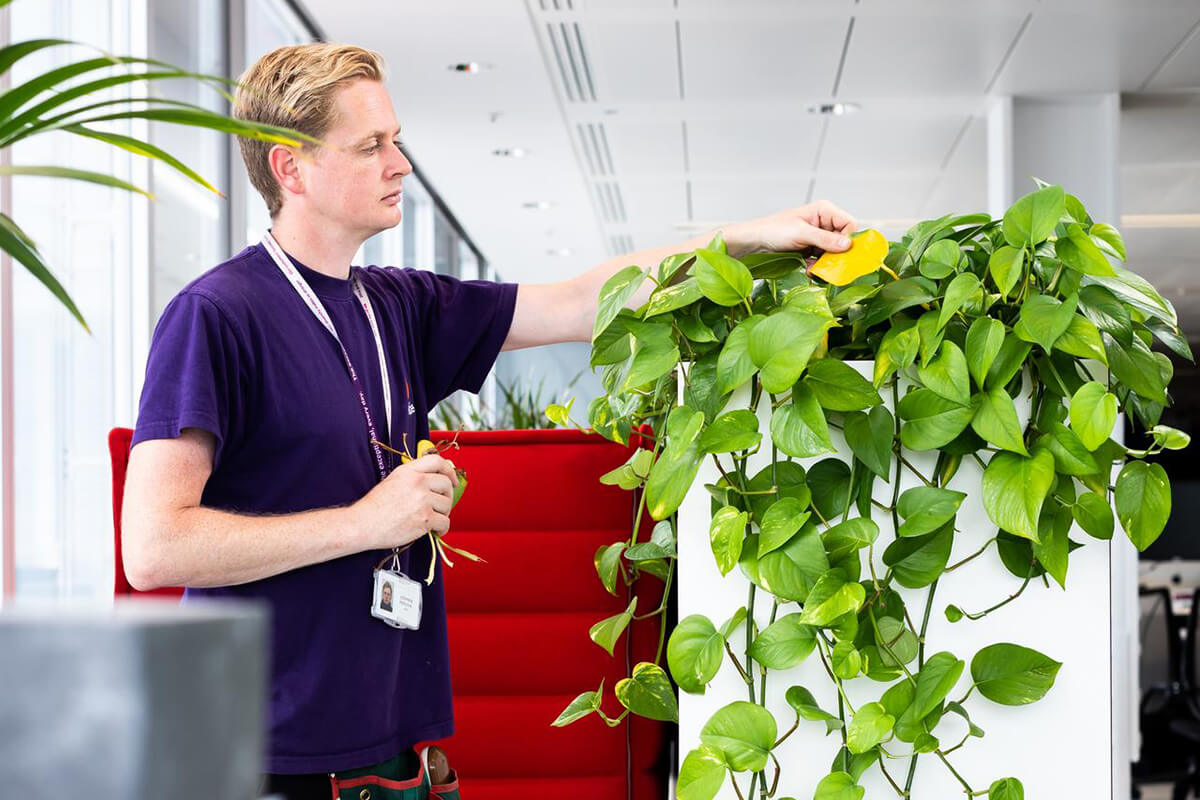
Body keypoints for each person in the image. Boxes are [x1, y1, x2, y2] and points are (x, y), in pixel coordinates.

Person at [120, 42, 858, 799]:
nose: (399, 162)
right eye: (371, 145)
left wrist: (750, 238)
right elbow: (154, 546)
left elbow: (580, 300)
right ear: (291, 168)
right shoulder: (216, 316)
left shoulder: (395, 305)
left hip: (386, 749)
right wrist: (365, 524)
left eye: (395, 139)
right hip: (257, 753)